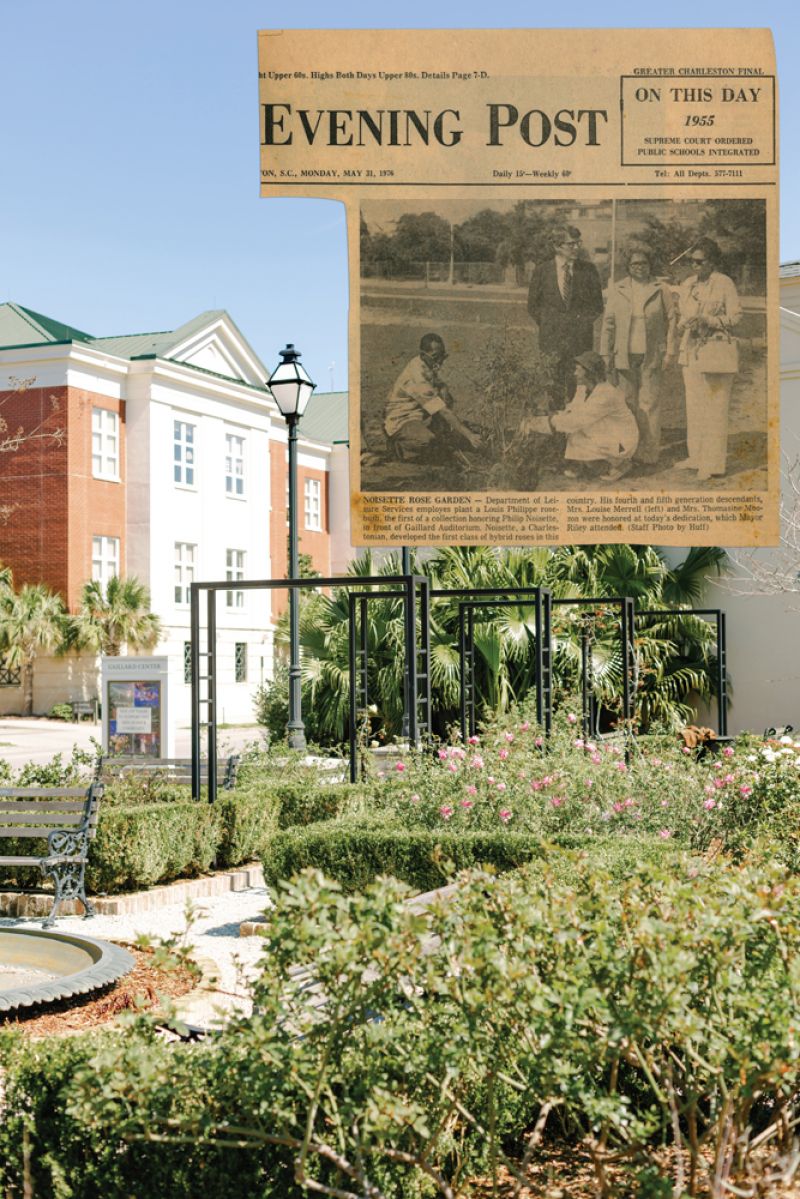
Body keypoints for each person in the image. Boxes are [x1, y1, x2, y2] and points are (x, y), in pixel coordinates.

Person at [600, 244, 678, 467]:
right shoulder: (619, 289)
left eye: (643, 263)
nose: (639, 268)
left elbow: (671, 321)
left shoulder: (660, 289)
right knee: (626, 404)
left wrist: (670, 351)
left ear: (650, 264)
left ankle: (649, 454)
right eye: (635, 263)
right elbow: (608, 324)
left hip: (652, 354)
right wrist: (605, 354)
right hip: (624, 355)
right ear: (628, 266)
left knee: (649, 404)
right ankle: (627, 451)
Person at [675, 237, 742, 481]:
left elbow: (735, 316)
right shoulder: (688, 284)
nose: (695, 266)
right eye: (692, 261)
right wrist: (686, 322)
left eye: (700, 261)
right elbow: (683, 314)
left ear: (712, 262)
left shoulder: (724, 283)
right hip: (691, 350)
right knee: (694, 406)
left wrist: (709, 321)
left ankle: (712, 464)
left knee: (715, 407)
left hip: (715, 349)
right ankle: (696, 457)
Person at [522, 351, 639, 483]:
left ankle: (620, 464)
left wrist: (541, 423)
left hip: (622, 442)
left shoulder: (606, 394)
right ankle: (586, 464)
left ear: (590, 372)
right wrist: (554, 415)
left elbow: (576, 421)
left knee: (576, 431)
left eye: (578, 370)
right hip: (606, 433)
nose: (575, 373)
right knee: (575, 435)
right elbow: (573, 410)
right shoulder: (583, 388)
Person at [527, 225, 604, 406]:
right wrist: (551, 325)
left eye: (578, 243)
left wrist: (579, 325)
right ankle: (556, 429)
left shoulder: (589, 270)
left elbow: (597, 305)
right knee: (552, 386)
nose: (576, 248)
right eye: (571, 244)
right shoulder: (542, 271)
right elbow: (533, 306)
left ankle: (575, 430)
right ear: (557, 246)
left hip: (580, 342)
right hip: (551, 341)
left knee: (578, 387)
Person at [383, 333, 480, 463]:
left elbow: (440, 389)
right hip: (401, 419)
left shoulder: (426, 364)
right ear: (423, 355)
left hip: (419, 414)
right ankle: (398, 444)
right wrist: (470, 435)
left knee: (445, 401)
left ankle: (438, 434)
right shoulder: (417, 375)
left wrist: (444, 389)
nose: (440, 361)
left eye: (443, 356)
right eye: (436, 357)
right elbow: (442, 410)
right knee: (428, 441)